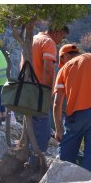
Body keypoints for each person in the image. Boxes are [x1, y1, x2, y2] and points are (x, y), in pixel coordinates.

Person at [53, 44, 91, 172]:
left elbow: (57, 103)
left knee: (66, 156)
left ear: (64, 56)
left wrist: (58, 129)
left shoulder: (63, 70)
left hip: (75, 116)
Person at [28, 25, 69, 157]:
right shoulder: (48, 42)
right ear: (57, 32)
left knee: (32, 128)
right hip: (39, 92)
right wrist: (47, 93)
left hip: (26, 90)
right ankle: (36, 164)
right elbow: (48, 70)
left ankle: (31, 159)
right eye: (62, 37)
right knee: (43, 132)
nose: (61, 41)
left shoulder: (33, 39)